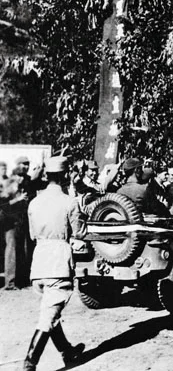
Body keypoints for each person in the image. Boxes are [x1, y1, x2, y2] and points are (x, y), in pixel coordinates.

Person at [23, 156, 87, 370]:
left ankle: (67, 351)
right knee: (48, 317)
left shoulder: (34, 202)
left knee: (50, 311)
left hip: (39, 264)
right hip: (58, 263)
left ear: (47, 175)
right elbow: (79, 232)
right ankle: (29, 363)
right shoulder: (69, 202)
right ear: (65, 175)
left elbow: (32, 234)